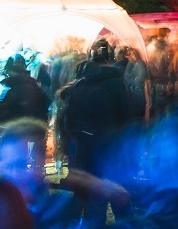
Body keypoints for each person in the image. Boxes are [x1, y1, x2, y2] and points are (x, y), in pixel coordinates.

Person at [58, 41, 136, 175]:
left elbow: (67, 118)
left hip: (81, 146)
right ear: (111, 59)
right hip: (109, 146)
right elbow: (125, 117)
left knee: (83, 188)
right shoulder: (117, 84)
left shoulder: (79, 84)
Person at [0, 55, 50, 124]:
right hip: (35, 129)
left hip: (18, 129)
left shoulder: (15, 90)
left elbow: (4, 115)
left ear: (9, 70)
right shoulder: (34, 85)